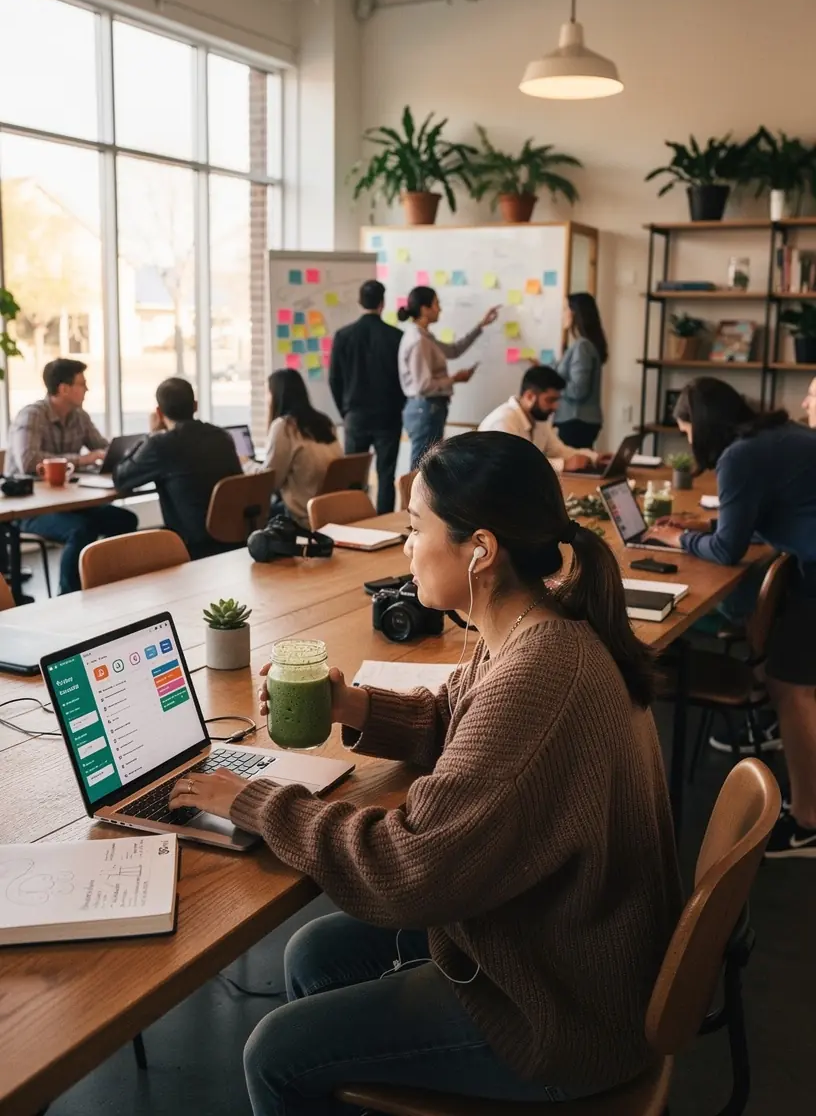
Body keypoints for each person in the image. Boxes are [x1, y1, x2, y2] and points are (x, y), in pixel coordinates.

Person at [170, 431, 681, 1114]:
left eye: (416, 528)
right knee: (316, 951)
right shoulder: (537, 626)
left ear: (481, 550)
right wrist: (352, 705)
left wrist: (254, 799)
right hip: (560, 939)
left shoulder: (537, 676)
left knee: (275, 1054)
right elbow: (466, 727)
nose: (406, 547)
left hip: (560, 1013)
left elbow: (405, 870)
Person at [647, 378, 816, 858]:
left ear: (700, 426)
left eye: (685, 431)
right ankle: (767, 717)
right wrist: (701, 524)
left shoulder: (739, 456)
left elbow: (727, 550)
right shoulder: (774, 435)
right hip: (806, 566)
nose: (687, 441)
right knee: (789, 682)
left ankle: (808, 821)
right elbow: (760, 509)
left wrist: (676, 541)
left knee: (796, 691)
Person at [6, 358, 137, 594]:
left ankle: (110, 585)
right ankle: (69, 596)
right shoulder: (32, 415)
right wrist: (81, 460)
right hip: (31, 506)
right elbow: (28, 462)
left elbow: (103, 448)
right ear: (64, 388)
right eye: (82, 384)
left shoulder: (79, 416)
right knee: (79, 530)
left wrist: (120, 453)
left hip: (68, 501)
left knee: (125, 520)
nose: (87, 389)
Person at [113, 378, 242, 559]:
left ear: (158, 412)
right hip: (234, 535)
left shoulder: (161, 445)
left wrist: (150, 435)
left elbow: (121, 478)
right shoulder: (223, 437)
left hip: (191, 543)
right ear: (195, 406)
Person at [398, 286, 499, 468]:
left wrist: (481, 325)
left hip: (430, 408)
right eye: (436, 304)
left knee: (428, 467)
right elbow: (423, 385)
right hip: (425, 408)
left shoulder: (425, 337)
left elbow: (453, 351)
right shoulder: (418, 341)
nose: (440, 309)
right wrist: (454, 379)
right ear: (424, 309)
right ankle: (412, 498)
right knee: (421, 468)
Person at [329, 280, 404, 514]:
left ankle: (355, 520)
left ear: (359, 302)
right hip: (388, 415)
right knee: (386, 473)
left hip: (355, 415)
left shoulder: (343, 336)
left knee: (354, 475)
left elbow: (334, 379)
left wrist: (346, 410)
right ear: (383, 303)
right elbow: (404, 379)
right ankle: (383, 523)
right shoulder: (396, 336)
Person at [254, 369, 341, 525]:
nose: (266, 399)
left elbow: (271, 481)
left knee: (254, 514)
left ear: (277, 395)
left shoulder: (284, 426)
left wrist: (247, 464)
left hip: (301, 515)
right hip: (331, 510)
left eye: (268, 393)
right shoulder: (325, 422)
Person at [478, 365, 600, 472]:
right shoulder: (503, 421)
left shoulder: (539, 419)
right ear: (530, 396)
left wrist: (595, 457)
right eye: (550, 400)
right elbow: (514, 465)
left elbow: (559, 451)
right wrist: (563, 465)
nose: (555, 406)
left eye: (556, 400)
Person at [555, 292, 608, 449]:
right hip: (579, 421)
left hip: (576, 421)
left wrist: (554, 387)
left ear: (575, 313)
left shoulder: (582, 346)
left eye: (565, 309)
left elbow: (578, 390)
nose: (562, 314)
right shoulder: (583, 345)